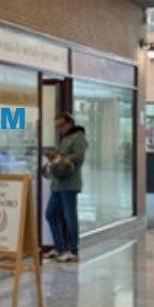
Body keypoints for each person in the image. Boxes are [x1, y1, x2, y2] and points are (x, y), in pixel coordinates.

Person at [43, 112, 88, 263]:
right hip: (58, 184)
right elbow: (60, 157)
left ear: (69, 123)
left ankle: (73, 251)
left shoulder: (78, 137)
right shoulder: (65, 138)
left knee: (70, 217)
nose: (59, 129)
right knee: (50, 214)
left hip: (69, 184)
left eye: (61, 126)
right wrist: (53, 156)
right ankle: (59, 247)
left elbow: (78, 157)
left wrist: (57, 157)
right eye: (57, 127)